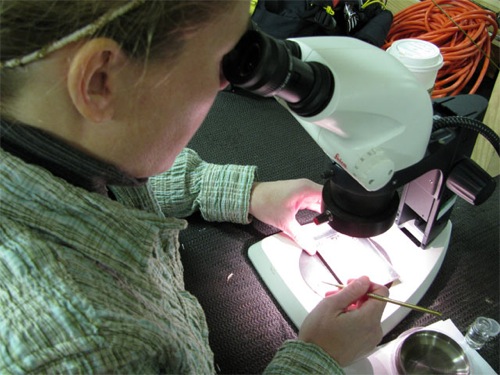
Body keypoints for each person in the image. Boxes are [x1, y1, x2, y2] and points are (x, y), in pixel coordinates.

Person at [0, 0, 389, 373]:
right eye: (223, 60)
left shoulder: (42, 134)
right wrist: (318, 357)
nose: (225, 84)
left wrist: (246, 193)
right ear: (102, 81)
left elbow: (121, 177)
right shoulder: (91, 349)